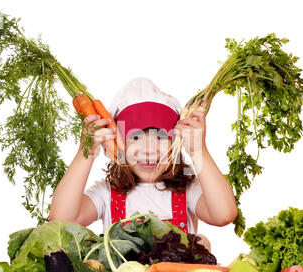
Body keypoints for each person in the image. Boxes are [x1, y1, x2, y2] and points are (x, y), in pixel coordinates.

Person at [49, 78, 237, 252]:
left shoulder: (187, 191)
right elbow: (62, 219)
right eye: (136, 137)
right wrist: (87, 152)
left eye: (161, 137)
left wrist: (198, 150)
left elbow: (223, 215)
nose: (149, 150)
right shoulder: (106, 193)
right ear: (117, 144)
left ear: (177, 143)